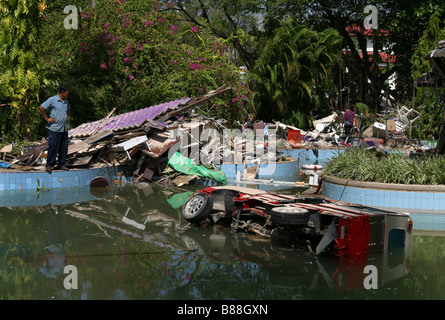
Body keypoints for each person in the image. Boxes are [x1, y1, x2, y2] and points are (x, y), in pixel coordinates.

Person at [39, 85, 71, 173]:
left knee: (63, 148)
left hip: (64, 129)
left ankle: (61, 164)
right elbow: (41, 107)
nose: (68, 95)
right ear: (62, 92)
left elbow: (68, 109)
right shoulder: (52, 100)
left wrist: (67, 117)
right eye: (67, 93)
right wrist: (47, 118)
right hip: (54, 128)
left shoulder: (66, 101)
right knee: (53, 147)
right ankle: (49, 165)